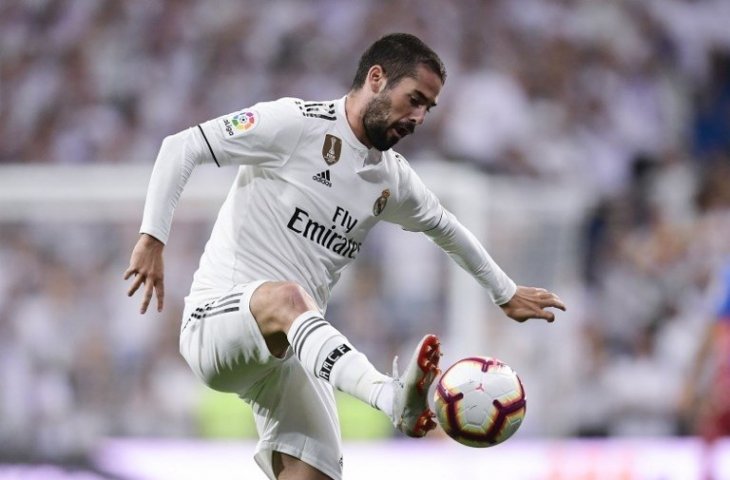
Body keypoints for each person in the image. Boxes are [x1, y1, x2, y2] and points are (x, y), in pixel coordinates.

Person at [124, 33, 566, 480]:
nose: (417, 117)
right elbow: (181, 146)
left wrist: (504, 293)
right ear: (376, 78)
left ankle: (387, 399)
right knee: (290, 298)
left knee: (315, 473)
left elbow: (446, 228)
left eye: (427, 108)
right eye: (414, 99)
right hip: (216, 324)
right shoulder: (294, 124)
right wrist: (153, 237)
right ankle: (390, 398)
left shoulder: (391, 179)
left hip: (293, 354)